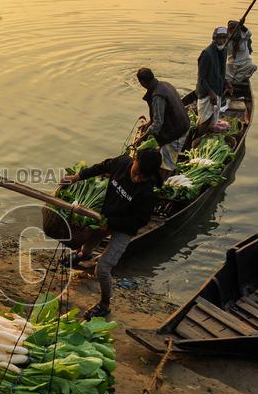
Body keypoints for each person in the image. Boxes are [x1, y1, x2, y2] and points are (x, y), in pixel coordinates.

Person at [60, 148, 162, 320]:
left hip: (124, 227)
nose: (137, 179)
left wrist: (110, 223)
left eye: (142, 177)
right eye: (136, 173)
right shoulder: (121, 163)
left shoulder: (148, 193)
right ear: (135, 160)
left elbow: (140, 221)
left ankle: (105, 303)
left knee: (103, 268)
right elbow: (101, 167)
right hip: (106, 215)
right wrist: (77, 177)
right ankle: (83, 255)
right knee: (87, 245)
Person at [134, 67, 189, 176]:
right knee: (163, 154)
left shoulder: (157, 96)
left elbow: (158, 124)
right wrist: (149, 123)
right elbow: (161, 113)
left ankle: (165, 180)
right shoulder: (165, 84)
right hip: (183, 124)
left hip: (177, 132)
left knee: (166, 165)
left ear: (142, 82)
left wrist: (142, 137)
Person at [195, 26, 232, 136]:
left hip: (218, 90)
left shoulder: (224, 51)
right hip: (206, 93)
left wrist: (226, 83)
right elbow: (201, 79)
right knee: (205, 120)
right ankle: (198, 138)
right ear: (214, 38)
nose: (222, 40)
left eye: (224, 38)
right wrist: (211, 93)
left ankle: (208, 135)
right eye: (219, 38)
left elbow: (220, 72)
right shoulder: (207, 54)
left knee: (213, 119)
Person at [227, 19, 257, 84]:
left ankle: (236, 80)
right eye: (230, 28)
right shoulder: (226, 38)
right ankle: (235, 80)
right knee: (227, 76)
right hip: (232, 65)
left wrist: (241, 25)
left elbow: (249, 33)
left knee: (253, 67)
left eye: (234, 28)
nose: (232, 30)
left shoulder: (243, 37)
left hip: (244, 64)